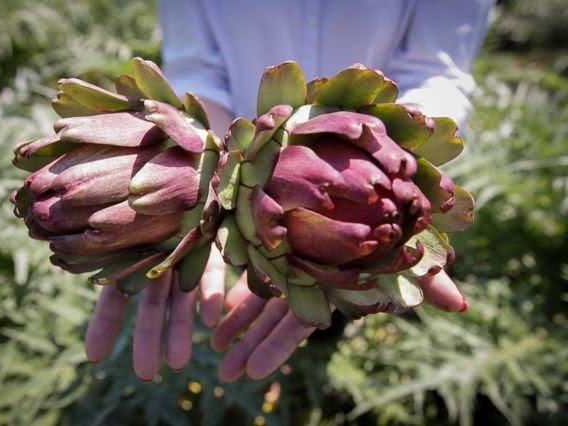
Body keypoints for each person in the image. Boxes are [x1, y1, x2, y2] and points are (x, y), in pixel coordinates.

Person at [85, 0, 494, 383]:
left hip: (341, 254)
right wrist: (198, 160)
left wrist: (405, 131)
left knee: (326, 325)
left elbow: (438, 69)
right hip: (242, 191)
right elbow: (196, 69)